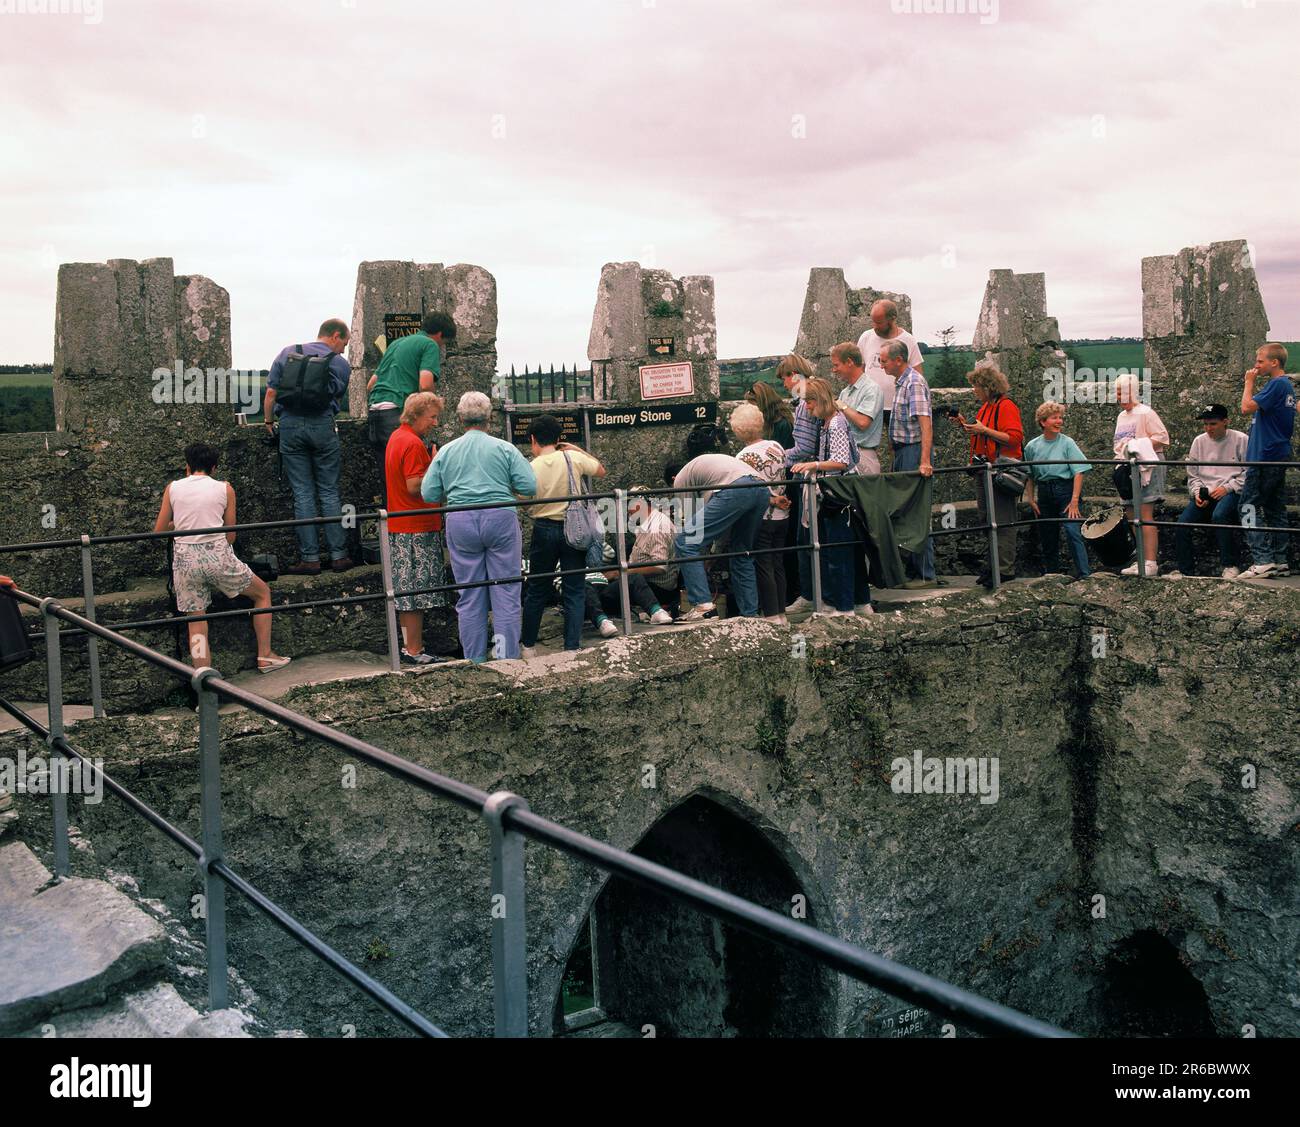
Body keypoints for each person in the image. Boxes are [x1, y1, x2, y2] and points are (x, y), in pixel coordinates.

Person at [420, 392, 536, 663]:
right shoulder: (504, 448)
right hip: (500, 517)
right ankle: (507, 659)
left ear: (460, 418)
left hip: (460, 519)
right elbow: (529, 486)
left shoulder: (447, 451)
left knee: (470, 595)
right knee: (506, 592)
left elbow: (428, 492)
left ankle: (474, 662)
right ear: (490, 417)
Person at [154, 443, 289, 673]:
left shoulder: (173, 488)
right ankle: (265, 656)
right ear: (214, 468)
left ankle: (204, 681)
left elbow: (159, 531)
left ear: (187, 466)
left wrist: (180, 523)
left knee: (196, 623)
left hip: (186, 561)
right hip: (217, 557)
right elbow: (231, 535)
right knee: (262, 593)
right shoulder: (225, 488)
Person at [263, 318, 353, 575]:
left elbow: (271, 394)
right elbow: (335, 396)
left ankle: (310, 559)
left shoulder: (288, 352)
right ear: (335, 336)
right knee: (329, 491)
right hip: (323, 425)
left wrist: (269, 421)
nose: (343, 350)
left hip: (290, 425)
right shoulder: (339, 364)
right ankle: (339, 556)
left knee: (302, 493)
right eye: (344, 343)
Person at [520, 415, 607, 656]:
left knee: (537, 588)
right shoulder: (572, 458)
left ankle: (528, 646)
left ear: (533, 439)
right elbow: (600, 470)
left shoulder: (530, 467)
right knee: (575, 589)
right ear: (559, 439)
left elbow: (521, 498)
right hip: (575, 530)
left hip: (544, 529)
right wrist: (575, 448)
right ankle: (572, 646)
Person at [384, 392, 450, 665]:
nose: (435, 422)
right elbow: (415, 487)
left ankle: (410, 647)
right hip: (416, 527)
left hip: (402, 525)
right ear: (417, 415)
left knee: (407, 594)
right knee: (415, 594)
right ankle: (414, 650)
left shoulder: (397, 437)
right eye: (432, 417)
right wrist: (435, 464)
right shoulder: (412, 443)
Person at [672, 447, 771, 621]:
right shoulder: (707, 469)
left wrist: (704, 559)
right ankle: (750, 615)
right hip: (761, 489)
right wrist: (712, 554)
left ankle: (703, 606)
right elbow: (718, 527)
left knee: (684, 542)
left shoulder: (680, 480)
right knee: (741, 552)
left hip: (735, 488)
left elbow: (694, 533)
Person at [790, 378, 860, 614]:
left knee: (838, 550)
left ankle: (843, 606)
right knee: (843, 550)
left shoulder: (836, 424)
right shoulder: (828, 422)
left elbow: (840, 461)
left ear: (818, 400)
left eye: (809, 401)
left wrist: (813, 465)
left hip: (840, 494)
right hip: (838, 492)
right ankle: (856, 603)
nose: (806, 407)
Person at [368, 312, 456, 490]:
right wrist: (434, 406)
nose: (441, 346)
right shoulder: (429, 344)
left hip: (375, 414)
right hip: (396, 414)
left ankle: (388, 518)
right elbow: (425, 384)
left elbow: (370, 385)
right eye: (444, 342)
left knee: (389, 480)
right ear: (439, 335)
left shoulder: (396, 344)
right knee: (410, 481)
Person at [1166, 404, 1248, 580]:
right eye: (1206, 424)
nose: (1208, 428)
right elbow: (1192, 474)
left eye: (1213, 424)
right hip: (1206, 491)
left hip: (1231, 490)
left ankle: (1229, 565)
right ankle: (1186, 571)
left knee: (1220, 516)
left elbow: (1249, 471)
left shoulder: (1241, 439)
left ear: (1225, 422)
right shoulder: (1199, 441)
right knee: (1182, 524)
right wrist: (1197, 493)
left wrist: (1228, 488)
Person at [959, 365, 1024, 586]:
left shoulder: (1006, 407)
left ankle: (1004, 568)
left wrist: (984, 431)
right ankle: (994, 566)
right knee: (987, 518)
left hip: (999, 471)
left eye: (976, 386)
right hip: (985, 470)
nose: (974, 390)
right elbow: (982, 433)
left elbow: (1013, 438)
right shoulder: (986, 407)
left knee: (1002, 520)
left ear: (987, 387)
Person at [832, 341, 884, 610]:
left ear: (850, 362)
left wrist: (840, 407)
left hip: (863, 456)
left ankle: (867, 587)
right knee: (848, 522)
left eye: (837, 364)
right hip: (848, 457)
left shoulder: (870, 389)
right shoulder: (845, 390)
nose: (835, 369)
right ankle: (854, 585)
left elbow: (863, 422)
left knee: (865, 522)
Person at [1237, 343, 1296, 579]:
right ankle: (1281, 560)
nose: (1256, 365)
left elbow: (1246, 407)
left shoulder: (1277, 384)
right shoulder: (1286, 386)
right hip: (1277, 454)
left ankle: (1262, 559)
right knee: (1274, 508)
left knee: (1246, 506)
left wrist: (1249, 383)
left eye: (1260, 361)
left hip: (1265, 455)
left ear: (1274, 362)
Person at [584, 492, 678, 633]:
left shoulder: (656, 528)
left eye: (629, 507)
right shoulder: (649, 523)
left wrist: (621, 572)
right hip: (636, 580)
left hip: (656, 587)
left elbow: (660, 567)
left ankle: (603, 619)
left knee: (631, 579)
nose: (627, 512)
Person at [731, 403, 791, 620]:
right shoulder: (776, 446)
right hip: (783, 516)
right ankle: (782, 613)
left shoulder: (742, 457)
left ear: (738, 430)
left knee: (763, 566)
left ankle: (772, 615)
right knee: (778, 565)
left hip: (762, 516)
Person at [883, 340, 936, 585]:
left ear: (898, 360)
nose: (881, 364)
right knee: (907, 511)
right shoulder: (902, 382)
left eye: (884, 360)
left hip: (914, 452)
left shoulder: (913, 383)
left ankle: (926, 574)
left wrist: (924, 461)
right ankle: (918, 570)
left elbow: (925, 423)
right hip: (905, 451)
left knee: (917, 511)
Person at [1024, 402, 1092, 579]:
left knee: (1072, 531)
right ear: (1043, 421)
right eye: (1054, 418)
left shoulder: (1067, 442)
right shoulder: (1032, 446)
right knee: (1048, 535)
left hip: (1065, 491)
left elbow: (1079, 471)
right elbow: (1029, 475)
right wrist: (1031, 499)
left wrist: (1074, 500)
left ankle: (1085, 575)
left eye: (1060, 417)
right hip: (1045, 493)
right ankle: (1052, 575)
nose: (1059, 421)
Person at [1112, 373, 1169, 577]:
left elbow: (1162, 438)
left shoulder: (1146, 412)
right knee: (1130, 515)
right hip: (1127, 467)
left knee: (1144, 514)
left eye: (1122, 392)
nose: (1118, 396)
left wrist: (1137, 446)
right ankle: (1141, 558)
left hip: (1147, 466)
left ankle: (1151, 561)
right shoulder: (1121, 416)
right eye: (1117, 392)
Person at [857, 299, 924, 434]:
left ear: (892, 319)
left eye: (879, 322)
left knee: (897, 448)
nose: (874, 326)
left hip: (899, 407)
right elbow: (859, 371)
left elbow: (918, 376)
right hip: (870, 406)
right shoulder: (866, 337)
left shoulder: (908, 340)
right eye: (873, 321)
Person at [745, 381, 795, 447]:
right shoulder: (760, 421)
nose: (751, 409)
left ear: (763, 404)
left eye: (753, 406)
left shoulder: (784, 424)